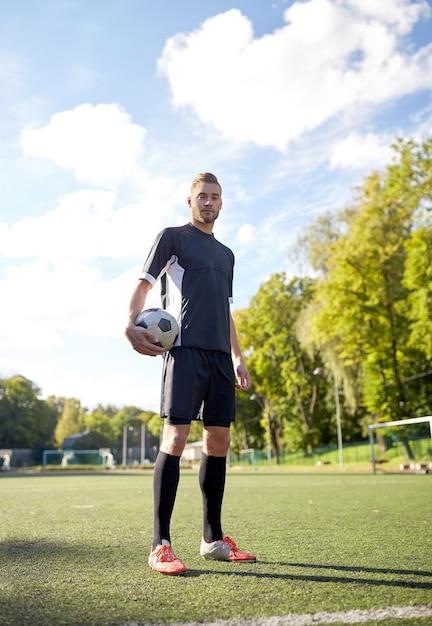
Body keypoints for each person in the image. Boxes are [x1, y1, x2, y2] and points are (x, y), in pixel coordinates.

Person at [125, 172, 256, 575]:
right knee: (176, 436)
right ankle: (160, 545)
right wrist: (130, 322)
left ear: (221, 203)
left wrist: (237, 356)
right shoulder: (172, 237)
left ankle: (212, 540)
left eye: (215, 197)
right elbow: (144, 285)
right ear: (190, 201)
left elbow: (226, 310)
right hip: (183, 352)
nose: (209, 202)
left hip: (219, 358)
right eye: (202, 196)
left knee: (219, 441)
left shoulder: (227, 255)